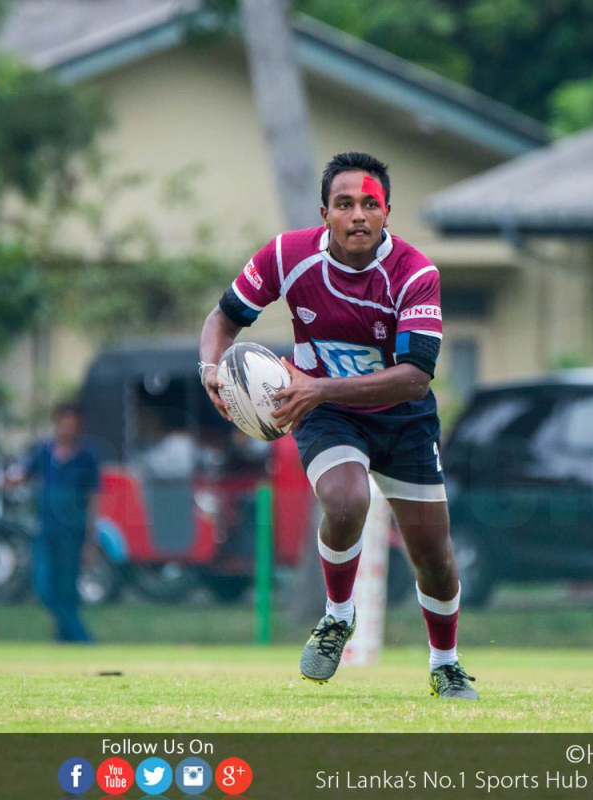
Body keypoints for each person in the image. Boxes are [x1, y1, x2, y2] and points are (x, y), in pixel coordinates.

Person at [198, 152, 475, 699]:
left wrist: (318, 387)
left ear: (387, 212)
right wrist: (210, 366)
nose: (358, 215)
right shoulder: (287, 255)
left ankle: (445, 663)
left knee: (434, 556)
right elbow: (223, 318)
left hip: (402, 419)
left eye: (370, 204)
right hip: (328, 415)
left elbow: (415, 378)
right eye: (344, 204)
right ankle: (337, 616)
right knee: (346, 502)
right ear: (324, 213)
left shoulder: (415, 274)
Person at [13, 401, 100, 643]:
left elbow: (94, 499)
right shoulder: (43, 453)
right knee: (44, 588)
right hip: (46, 530)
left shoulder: (86, 458)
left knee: (67, 589)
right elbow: (21, 477)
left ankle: (66, 638)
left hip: (73, 531)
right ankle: (80, 638)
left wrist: (91, 539)